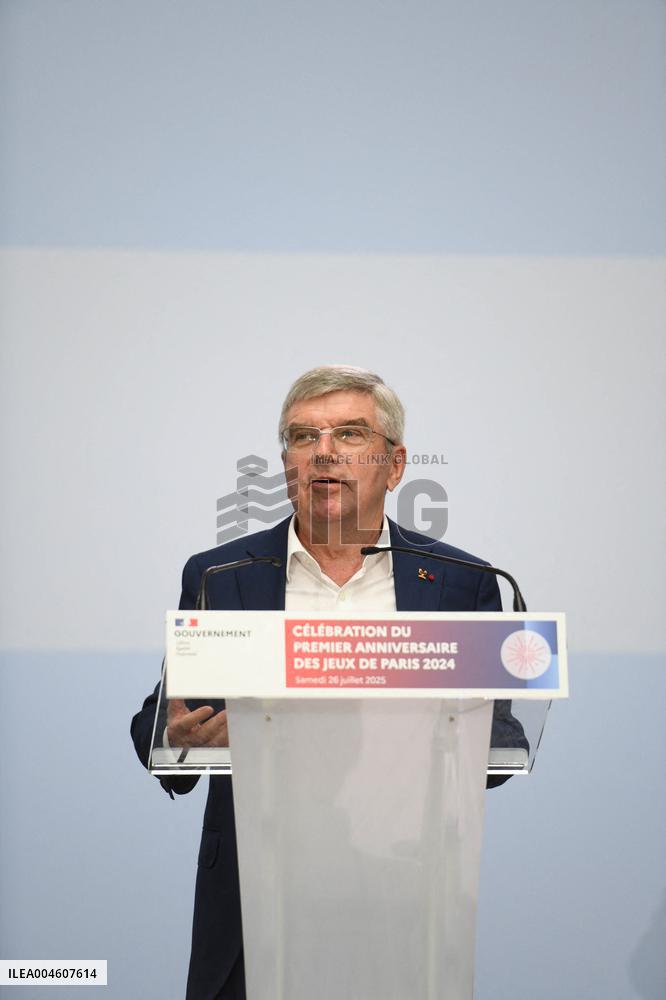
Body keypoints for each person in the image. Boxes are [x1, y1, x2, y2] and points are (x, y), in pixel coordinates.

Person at [131, 365, 527, 1000]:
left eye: (350, 433)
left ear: (395, 466)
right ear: (285, 461)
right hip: (255, 901)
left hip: (405, 894)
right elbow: (159, 731)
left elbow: (501, 743)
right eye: (302, 436)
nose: (325, 452)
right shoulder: (223, 575)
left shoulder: (460, 581)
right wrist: (176, 735)